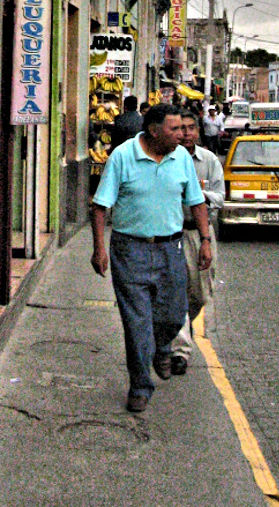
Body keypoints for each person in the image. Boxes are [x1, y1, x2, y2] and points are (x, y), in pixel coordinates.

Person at [90, 103, 212, 413]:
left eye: (183, 129)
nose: (181, 135)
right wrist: (99, 248)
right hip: (129, 251)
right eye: (175, 129)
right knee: (137, 323)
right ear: (154, 131)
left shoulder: (182, 158)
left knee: (174, 314)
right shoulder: (122, 156)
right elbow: (100, 205)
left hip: (171, 250)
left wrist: (205, 240)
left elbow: (197, 203)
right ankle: (141, 385)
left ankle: (162, 348)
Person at [169, 111, 225, 374]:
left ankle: (184, 325)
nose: (187, 133)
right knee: (176, 290)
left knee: (200, 293)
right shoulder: (166, 159)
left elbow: (220, 197)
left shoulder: (209, 161)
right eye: (182, 128)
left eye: (192, 128)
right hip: (172, 233)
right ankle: (180, 351)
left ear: (198, 132)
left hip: (200, 234)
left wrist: (195, 194)